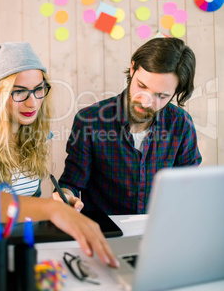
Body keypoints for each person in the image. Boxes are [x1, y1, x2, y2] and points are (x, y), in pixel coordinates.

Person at [0, 42, 118, 268]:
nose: (32, 102)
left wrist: (58, 201)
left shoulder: (36, 134)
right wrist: (52, 210)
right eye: (19, 92)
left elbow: (26, 204)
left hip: (22, 248)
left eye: (38, 89)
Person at [54, 37, 202, 214]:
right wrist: (65, 197)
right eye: (142, 86)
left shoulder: (181, 123)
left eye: (161, 96)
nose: (146, 102)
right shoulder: (90, 120)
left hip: (159, 227)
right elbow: (71, 183)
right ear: (133, 69)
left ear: (175, 92)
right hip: (104, 231)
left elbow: (189, 185)